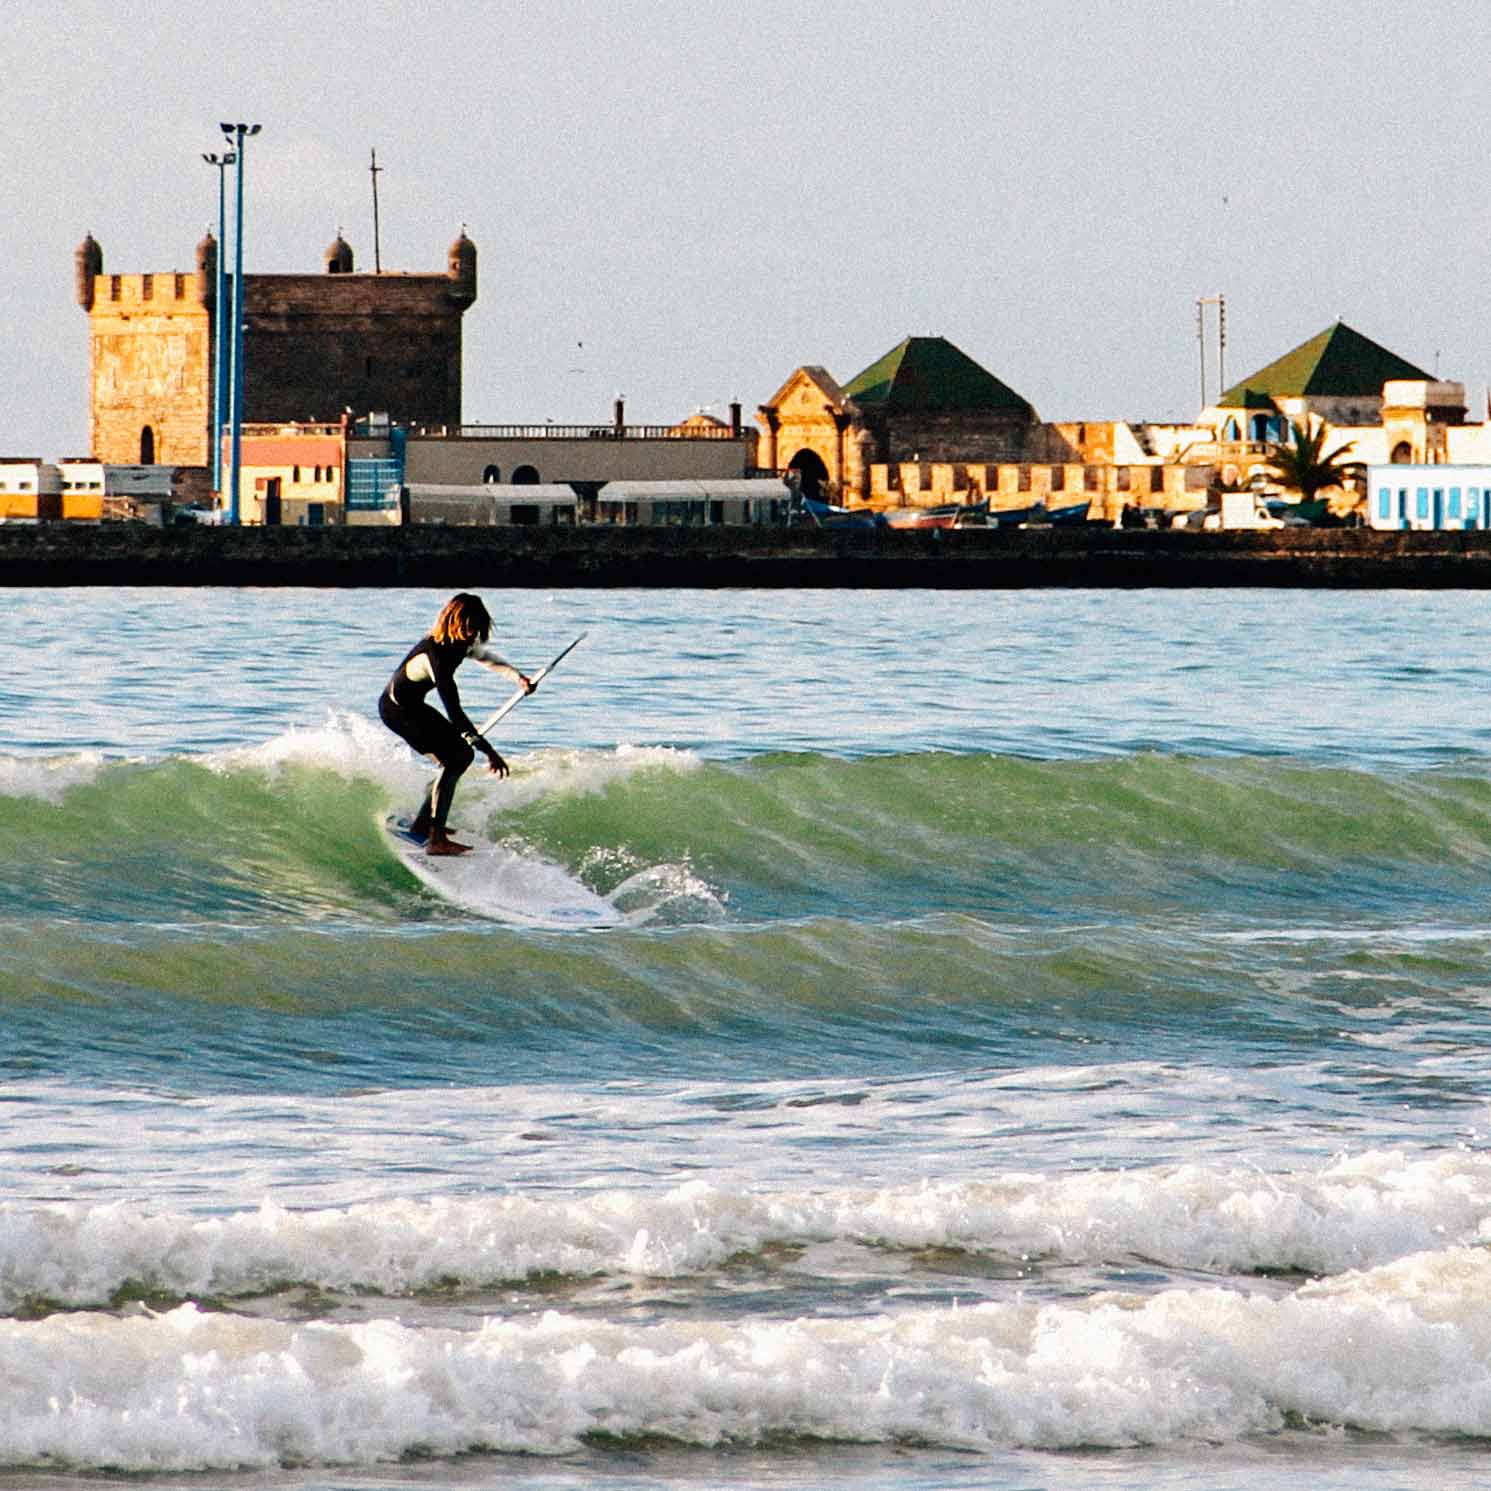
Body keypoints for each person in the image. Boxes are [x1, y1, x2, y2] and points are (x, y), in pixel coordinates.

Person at [379, 593, 535, 855]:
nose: (472, 634)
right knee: (458, 757)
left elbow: (486, 657)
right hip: (397, 711)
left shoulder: (461, 643)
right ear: (453, 623)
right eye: (468, 628)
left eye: (477, 628)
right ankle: (437, 839)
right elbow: (455, 713)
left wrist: (519, 678)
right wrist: (489, 752)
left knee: (453, 758)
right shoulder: (434, 656)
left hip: (414, 707)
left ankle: (423, 824)